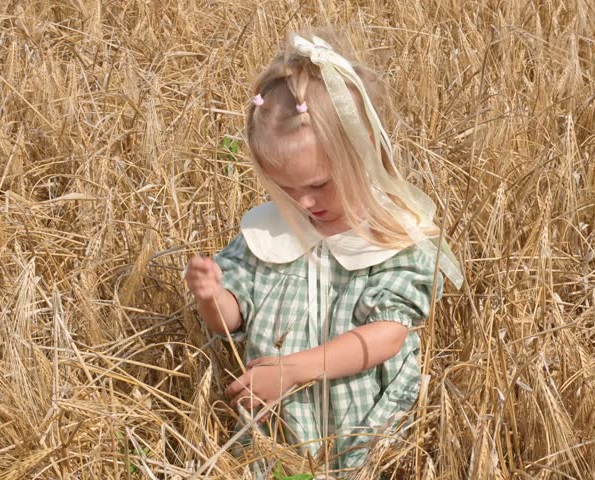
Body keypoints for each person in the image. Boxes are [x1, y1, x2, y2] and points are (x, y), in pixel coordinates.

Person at [184, 32, 463, 474]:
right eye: (286, 189)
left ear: (364, 153)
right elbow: (230, 322)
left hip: (364, 425)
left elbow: (388, 336)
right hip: (280, 425)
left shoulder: (392, 237)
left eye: (317, 185)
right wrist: (212, 296)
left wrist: (294, 369)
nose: (304, 204)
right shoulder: (269, 233)